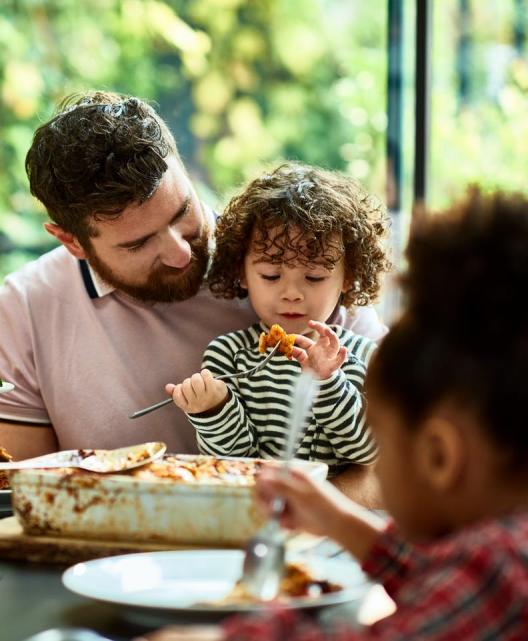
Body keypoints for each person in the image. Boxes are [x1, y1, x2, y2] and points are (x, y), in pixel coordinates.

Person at [144, 188, 528, 641]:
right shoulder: (502, 548)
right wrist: (336, 517)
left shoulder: (498, 573)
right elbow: (429, 573)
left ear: (439, 456)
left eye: (384, 446)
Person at [0, 91, 386, 502]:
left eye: (182, 213)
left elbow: (394, 469)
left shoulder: (289, 258)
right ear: (72, 242)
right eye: (138, 244)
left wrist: (279, 525)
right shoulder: (27, 307)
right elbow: (10, 492)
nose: (181, 252)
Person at [170, 164, 391, 471]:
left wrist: (328, 382)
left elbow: (369, 452)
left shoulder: (361, 356)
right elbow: (231, 461)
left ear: (346, 278)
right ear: (242, 272)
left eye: (313, 278)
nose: (292, 293)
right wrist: (213, 408)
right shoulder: (228, 355)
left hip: (332, 515)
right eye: (271, 276)